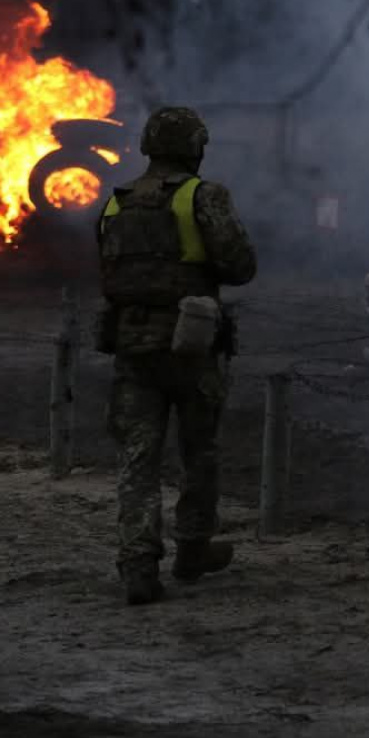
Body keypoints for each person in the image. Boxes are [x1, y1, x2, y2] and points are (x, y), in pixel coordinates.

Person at [94, 106, 257, 605]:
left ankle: (138, 564)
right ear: (196, 146)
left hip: (134, 347)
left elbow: (109, 272)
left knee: (138, 459)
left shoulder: (116, 203)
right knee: (199, 452)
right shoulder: (203, 196)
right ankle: (192, 549)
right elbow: (240, 266)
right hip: (191, 346)